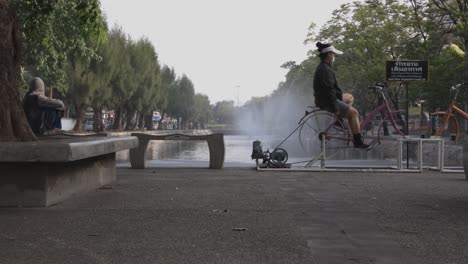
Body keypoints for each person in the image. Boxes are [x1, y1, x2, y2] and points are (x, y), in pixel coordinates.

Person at [313, 42, 370, 149]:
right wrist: (335, 108)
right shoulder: (325, 69)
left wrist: (340, 97)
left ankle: (338, 121)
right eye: (334, 54)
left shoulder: (325, 67)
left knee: (350, 97)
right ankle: (358, 142)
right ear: (329, 54)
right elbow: (328, 90)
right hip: (327, 100)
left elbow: (331, 89)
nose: (335, 56)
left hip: (327, 97)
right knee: (354, 113)